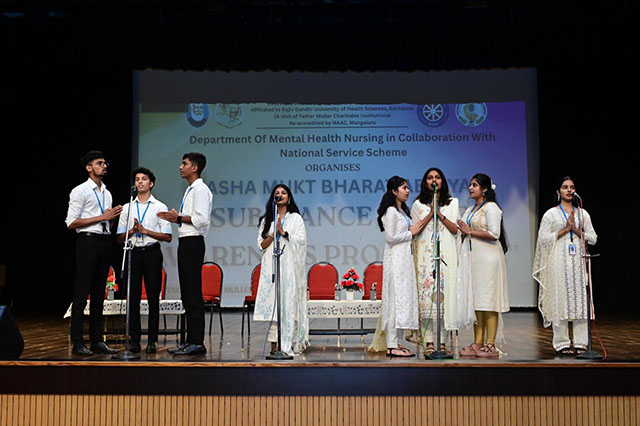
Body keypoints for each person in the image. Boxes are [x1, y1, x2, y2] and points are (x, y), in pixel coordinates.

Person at [65, 151, 122, 356]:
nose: (104, 166)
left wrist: (111, 218)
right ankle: (78, 342)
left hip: (104, 241)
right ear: (89, 168)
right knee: (82, 293)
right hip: (87, 241)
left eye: (105, 163)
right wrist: (102, 217)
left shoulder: (107, 193)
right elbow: (71, 222)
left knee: (100, 293)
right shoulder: (80, 191)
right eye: (99, 163)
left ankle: (97, 340)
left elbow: (105, 221)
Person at [532, 177, 597, 355]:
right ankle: (561, 343)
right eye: (565, 187)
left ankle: (581, 342)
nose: (569, 190)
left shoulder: (582, 214)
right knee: (559, 299)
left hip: (578, 262)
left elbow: (593, 238)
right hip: (558, 262)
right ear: (558, 191)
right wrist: (565, 230)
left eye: (572, 187)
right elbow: (543, 239)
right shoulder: (551, 214)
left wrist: (575, 230)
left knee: (580, 300)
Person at [158, 153, 213, 356]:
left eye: (185, 164)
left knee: (193, 293)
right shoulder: (191, 189)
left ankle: (197, 342)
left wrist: (178, 217)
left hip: (193, 242)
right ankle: (190, 340)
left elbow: (202, 219)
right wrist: (177, 218)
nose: (181, 167)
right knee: (187, 294)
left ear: (195, 168)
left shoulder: (200, 190)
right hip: (186, 241)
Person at [117, 167, 172, 354]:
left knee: (152, 297)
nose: (140, 182)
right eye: (137, 179)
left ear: (151, 183)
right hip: (133, 252)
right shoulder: (127, 207)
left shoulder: (159, 207)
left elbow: (167, 236)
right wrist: (133, 231)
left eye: (144, 179)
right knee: (132, 298)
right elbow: (119, 237)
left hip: (152, 253)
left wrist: (145, 231)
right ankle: (134, 340)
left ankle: (152, 341)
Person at [373, 176, 428, 357]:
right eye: (404, 187)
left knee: (401, 300)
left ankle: (396, 342)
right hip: (395, 259)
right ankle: (391, 344)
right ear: (394, 191)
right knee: (394, 301)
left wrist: (413, 231)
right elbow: (390, 238)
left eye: (407, 187)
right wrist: (410, 233)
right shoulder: (391, 211)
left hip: (404, 259)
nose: (408, 191)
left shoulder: (402, 210)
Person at [456, 173, 509, 358]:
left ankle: (490, 344)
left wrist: (470, 231)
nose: (470, 188)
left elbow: (494, 234)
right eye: (470, 185)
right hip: (474, 259)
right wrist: (463, 232)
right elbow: (464, 230)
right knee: (477, 301)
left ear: (485, 189)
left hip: (489, 259)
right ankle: (478, 342)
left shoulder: (491, 208)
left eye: (475, 185)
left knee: (489, 301)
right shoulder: (471, 209)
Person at [408, 167, 459, 355]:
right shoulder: (418, 204)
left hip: (446, 255)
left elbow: (455, 230)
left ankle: (442, 341)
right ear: (425, 182)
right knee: (426, 299)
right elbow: (415, 231)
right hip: (425, 256)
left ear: (442, 181)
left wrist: (440, 214)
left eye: (437, 177)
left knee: (444, 299)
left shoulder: (452, 203)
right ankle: (429, 341)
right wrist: (431, 212)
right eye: (430, 178)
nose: (434, 180)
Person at [253, 184, 309, 355]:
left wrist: (284, 233)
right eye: (277, 193)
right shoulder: (267, 220)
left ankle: (288, 343)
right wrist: (273, 233)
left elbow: (302, 242)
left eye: (283, 193)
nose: (280, 195)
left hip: (290, 268)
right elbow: (261, 245)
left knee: (288, 302)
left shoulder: (296, 219)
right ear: (273, 198)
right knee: (274, 304)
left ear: (289, 198)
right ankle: (275, 344)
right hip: (272, 266)